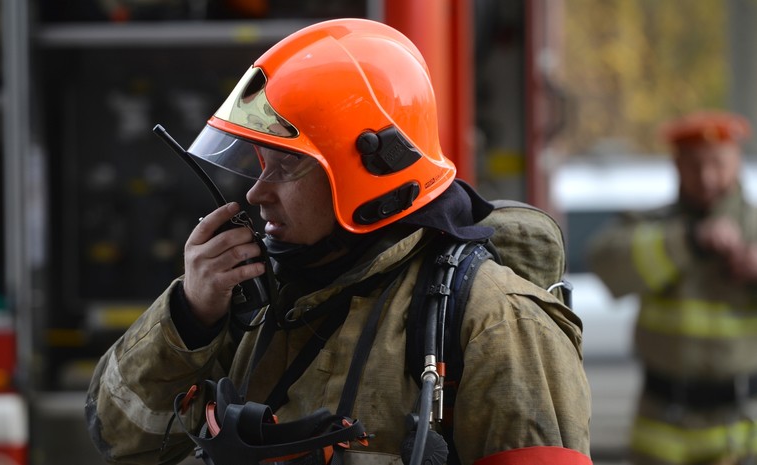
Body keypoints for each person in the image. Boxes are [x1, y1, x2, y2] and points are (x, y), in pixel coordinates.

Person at [85, 18, 592, 465]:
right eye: (261, 163)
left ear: (369, 172)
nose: (256, 193)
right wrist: (191, 319)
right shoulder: (257, 304)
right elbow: (123, 442)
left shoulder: (499, 323)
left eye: (287, 165)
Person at [586, 110, 757, 465]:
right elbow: (606, 264)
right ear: (677, 166)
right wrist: (689, 241)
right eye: (694, 165)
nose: (706, 177)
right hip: (660, 426)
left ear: (737, 161)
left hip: (742, 426)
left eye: (718, 163)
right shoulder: (652, 225)